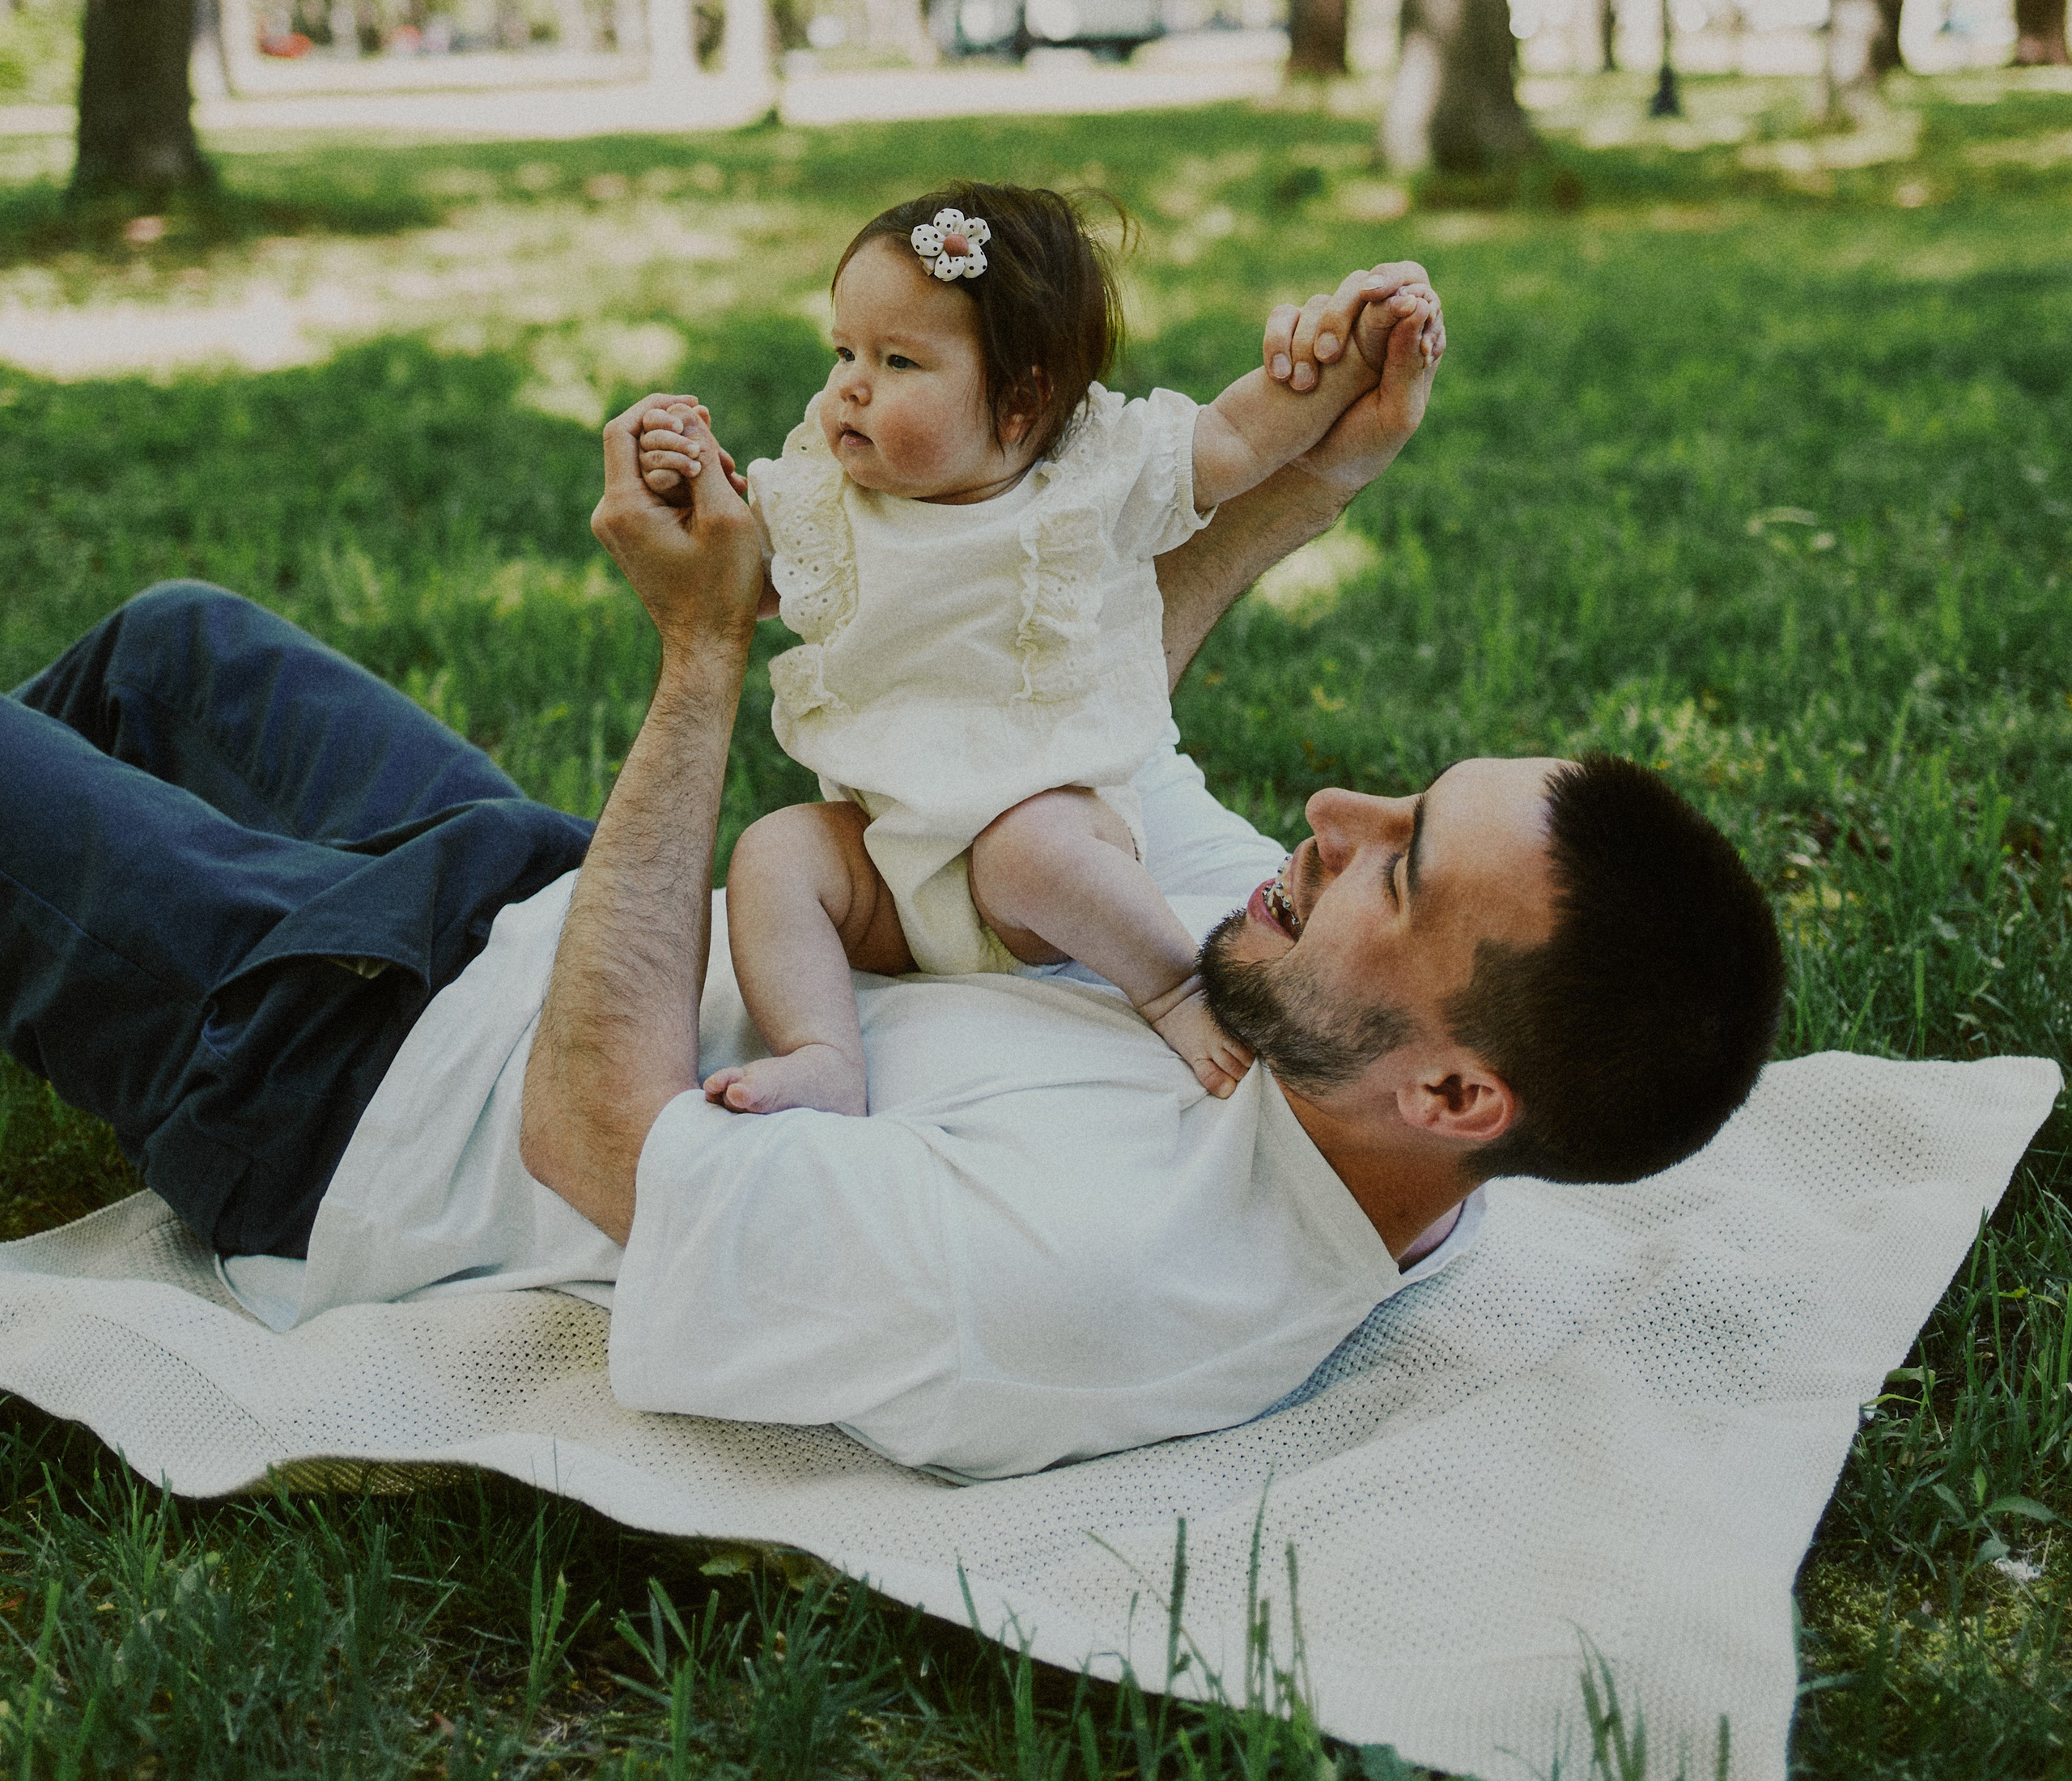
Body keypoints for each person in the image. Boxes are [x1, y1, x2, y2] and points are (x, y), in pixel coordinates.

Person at [0, 266, 1785, 1481]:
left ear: (1456, 1093)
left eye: (1399, 864)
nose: (1334, 808)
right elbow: (1072, 749)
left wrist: (703, 651)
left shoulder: (1105, 1277)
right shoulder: (1304, 1013)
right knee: (177, 646)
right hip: (546, 910)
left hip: (351, 1086)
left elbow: (591, 1136)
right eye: (1403, 801)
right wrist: (1305, 486)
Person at [628, 181, 1444, 1117]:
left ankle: (1173, 985)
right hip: (892, 857)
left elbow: (1231, 436)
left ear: (1020, 403)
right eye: (844, 349)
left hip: (1047, 828)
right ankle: (823, 1051)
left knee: (1031, 850)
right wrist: (689, 481)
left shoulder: (1091, 472)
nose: (850, 384)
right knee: (774, 855)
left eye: (898, 360)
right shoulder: (823, 494)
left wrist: (1344, 362)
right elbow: (750, 582)